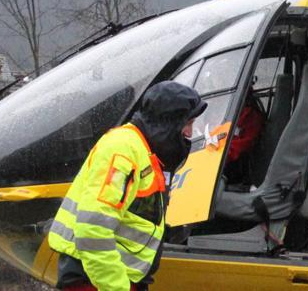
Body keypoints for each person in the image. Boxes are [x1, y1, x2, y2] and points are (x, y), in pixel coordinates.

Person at [48, 81, 206, 291]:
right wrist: (118, 286)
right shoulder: (123, 150)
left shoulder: (143, 150)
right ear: (169, 122)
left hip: (111, 275)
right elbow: (93, 230)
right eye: (188, 123)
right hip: (97, 278)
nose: (189, 133)